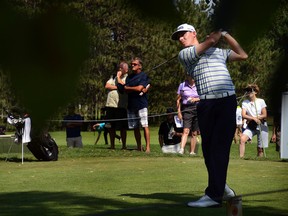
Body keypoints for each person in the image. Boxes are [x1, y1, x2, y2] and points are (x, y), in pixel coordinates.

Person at [171, 23, 248, 207]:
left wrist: (226, 33)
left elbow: (243, 55)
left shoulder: (218, 52)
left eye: (183, 35)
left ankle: (214, 196)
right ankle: (221, 188)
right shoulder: (185, 55)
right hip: (206, 103)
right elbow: (212, 40)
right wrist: (219, 31)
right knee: (208, 151)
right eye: (178, 37)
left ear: (193, 33)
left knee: (219, 149)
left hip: (226, 102)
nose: (181, 39)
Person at [120, 57, 150, 153]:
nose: (132, 66)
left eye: (135, 64)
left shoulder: (143, 76)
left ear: (140, 66)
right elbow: (125, 89)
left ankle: (148, 148)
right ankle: (139, 147)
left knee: (144, 125)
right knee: (135, 127)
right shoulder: (129, 77)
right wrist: (132, 88)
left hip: (141, 104)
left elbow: (139, 88)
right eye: (132, 64)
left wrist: (130, 88)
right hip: (131, 104)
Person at [104, 61, 129, 150]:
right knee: (111, 126)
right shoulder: (113, 77)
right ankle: (112, 145)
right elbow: (107, 86)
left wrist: (118, 79)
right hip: (111, 105)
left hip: (121, 106)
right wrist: (117, 86)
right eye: (121, 68)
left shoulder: (127, 78)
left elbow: (123, 86)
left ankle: (124, 145)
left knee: (123, 127)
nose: (126, 70)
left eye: (125, 69)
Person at [240, 84, 268, 158]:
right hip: (251, 125)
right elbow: (243, 115)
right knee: (242, 139)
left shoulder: (261, 101)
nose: (248, 92)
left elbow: (264, 114)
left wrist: (258, 117)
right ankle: (241, 158)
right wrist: (253, 118)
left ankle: (260, 161)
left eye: (250, 90)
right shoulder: (245, 102)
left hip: (261, 125)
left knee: (260, 149)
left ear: (255, 92)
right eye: (247, 91)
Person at [176, 75, 200, 155]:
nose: (193, 77)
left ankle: (192, 152)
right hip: (187, 109)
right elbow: (178, 100)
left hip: (198, 108)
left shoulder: (199, 84)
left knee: (194, 132)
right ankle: (181, 149)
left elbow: (204, 97)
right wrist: (179, 112)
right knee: (186, 130)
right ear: (187, 76)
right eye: (191, 75)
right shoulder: (182, 85)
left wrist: (196, 99)